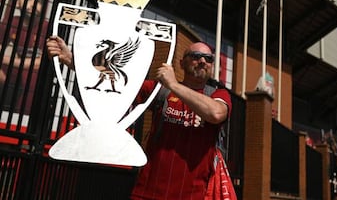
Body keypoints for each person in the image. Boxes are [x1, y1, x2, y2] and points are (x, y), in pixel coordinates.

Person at [46, 36, 233, 199]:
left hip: (194, 195)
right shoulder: (160, 91)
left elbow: (215, 114)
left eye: (208, 58)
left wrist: (174, 85)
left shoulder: (219, 95)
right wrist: (70, 60)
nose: (202, 61)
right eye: (195, 56)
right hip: (147, 192)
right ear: (182, 63)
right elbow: (115, 84)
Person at [0, 0, 47, 114]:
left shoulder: (46, 27)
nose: (32, 4)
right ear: (18, 2)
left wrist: (7, 60)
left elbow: (41, 62)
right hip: (16, 77)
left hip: (35, 82)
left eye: (37, 0)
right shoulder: (12, 23)